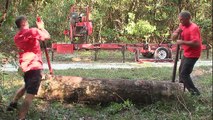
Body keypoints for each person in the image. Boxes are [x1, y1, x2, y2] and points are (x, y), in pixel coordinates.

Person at [6, 15, 50, 120]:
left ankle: (13, 103)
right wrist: (42, 27)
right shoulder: (31, 31)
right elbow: (47, 36)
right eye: (27, 22)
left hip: (25, 67)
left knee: (27, 86)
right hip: (34, 67)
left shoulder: (16, 37)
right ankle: (21, 118)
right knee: (30, 95)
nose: (29, 23)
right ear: (23, 23)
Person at [171, 11, 202, 95]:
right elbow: (173, 38)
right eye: (179, 20)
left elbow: (196, 44)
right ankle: (181, 90)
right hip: (187, 53)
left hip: (193, 54)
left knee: (184, 74)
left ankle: (195, 94)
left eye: (181, 20)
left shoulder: (194, 28)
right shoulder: (182, 25)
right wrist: (177, 32)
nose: (180, 21)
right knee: (181, 72)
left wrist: (182, 42)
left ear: (187, 19)